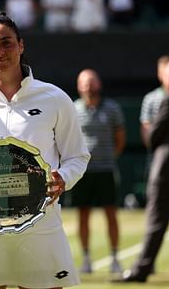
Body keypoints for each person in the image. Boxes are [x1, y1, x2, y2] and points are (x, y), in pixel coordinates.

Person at [0, 11, 90, 288]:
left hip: (41, 229)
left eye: (6, 42)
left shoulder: (55, 98)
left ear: (21, 45)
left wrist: (63, 179)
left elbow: (77, 156)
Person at [70, 69, 126, 274]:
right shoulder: (73, 109)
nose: (88, 86)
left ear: (99, 84)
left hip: (106, 170)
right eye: (84, 82)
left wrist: (109, 157)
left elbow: (120, 138)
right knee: (82, 214)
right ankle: (86, 259)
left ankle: (115, 258)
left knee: (111, 213)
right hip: (82, 173)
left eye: (91, 81)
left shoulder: (112, 109)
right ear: (78, 86)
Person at [117, 92, 169, 282]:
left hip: (165, 167)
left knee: (156, 219)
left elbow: (154, 135)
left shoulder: (168, 99)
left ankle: (141, 269)